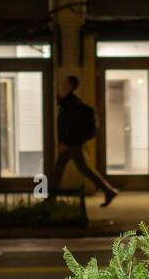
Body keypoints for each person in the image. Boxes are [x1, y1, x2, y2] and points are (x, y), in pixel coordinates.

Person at [49, 75, 118, 206]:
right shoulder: (69, 101)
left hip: (71, 144)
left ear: (70, 85)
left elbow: (72, 125)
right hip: (72, 143)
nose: (62, 84)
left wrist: (65, 142)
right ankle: (108, 191)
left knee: (76, 170)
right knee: (68, 170)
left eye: (65, 82)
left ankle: (108, 190)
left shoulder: (72, 103)